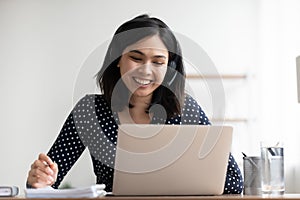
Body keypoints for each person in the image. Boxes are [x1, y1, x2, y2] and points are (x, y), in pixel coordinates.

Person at [26, 14, 243, 194]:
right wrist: (39, 180)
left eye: (158, 62)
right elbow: (44, 185)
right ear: (117, 58)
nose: (146, 70)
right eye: (136, 58)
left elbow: (234, 182)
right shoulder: (89, 112)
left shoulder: (185, 109)